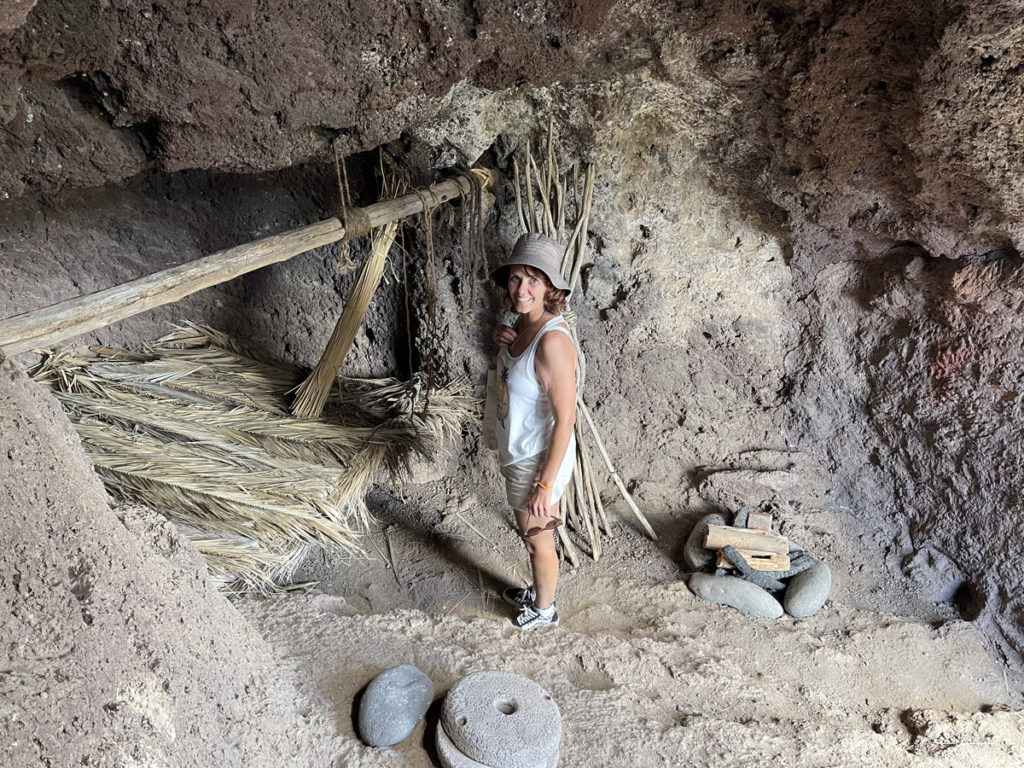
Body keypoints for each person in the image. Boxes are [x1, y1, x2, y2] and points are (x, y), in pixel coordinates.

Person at [489, 233, 578, 630]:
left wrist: (545, 485)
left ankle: (545, 611)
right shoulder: (524, 325)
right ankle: (539, 593)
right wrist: (502, 342)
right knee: (528, 534)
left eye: (533, 281)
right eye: (515, 279)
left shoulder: (553, 341)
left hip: (539, 459)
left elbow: (566, 419)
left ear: (551, 288)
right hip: (520, 450)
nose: (521, 290)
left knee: (538, 538)